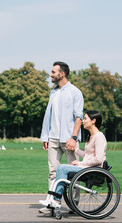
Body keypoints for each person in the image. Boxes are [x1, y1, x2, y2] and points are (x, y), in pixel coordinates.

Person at [39, 110, 107, 217]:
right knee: (62, 169)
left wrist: (80, 164)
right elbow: (88, 156)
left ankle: (55, 200)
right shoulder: (91, 136)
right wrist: (75, 150)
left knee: (62, 168)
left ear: (93, 121)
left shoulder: (99, 137)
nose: (83, 121)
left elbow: (98, 159)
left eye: (85, 119)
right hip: (88, 168)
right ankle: (55, 199)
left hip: (93, 170)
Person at [39, 61, 84, 213]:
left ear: (62, 73)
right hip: (53, 138)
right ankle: (51, 202)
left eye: (53, 72)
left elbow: (79, 117)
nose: (50, 75)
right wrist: (45, 136)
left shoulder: (75, 92)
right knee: (53, 172)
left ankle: (74, 204)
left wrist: (73, 137)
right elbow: (48, 116)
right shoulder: (53, 92)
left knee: (74, 173)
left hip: (69, 139)